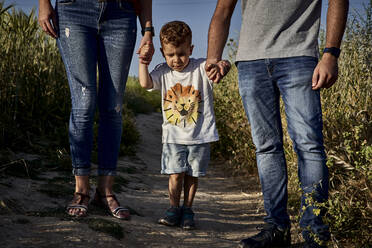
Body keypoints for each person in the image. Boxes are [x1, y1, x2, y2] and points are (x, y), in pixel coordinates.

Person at [206, 0, 348, 247]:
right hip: (250, 61)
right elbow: (223, 9)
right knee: (266, 148)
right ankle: (276, 229)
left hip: (299, 55)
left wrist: (331, 54)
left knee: (309, 146)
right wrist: (213, 58)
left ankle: (315, 234)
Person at [38, 0, 154, 219]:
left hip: (121, 12)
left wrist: (147, 29)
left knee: (113, 107)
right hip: (73, 10)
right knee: (84, 103)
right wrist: (44, 3)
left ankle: (105, 190)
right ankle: (81, 190)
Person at [138, 20, 230, 230]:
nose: (176, 60)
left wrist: (223, 64)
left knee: (192, 175)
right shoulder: (163, 71)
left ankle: (188, 210)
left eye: (181, 53)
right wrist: (143, 61)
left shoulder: (200, 67)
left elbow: (221, 66)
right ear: (163, 52)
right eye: (170, 55)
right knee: (175, 174)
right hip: (173, 137)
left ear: (190, 49)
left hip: (200, 136)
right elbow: (145, 84)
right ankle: (173, 209)